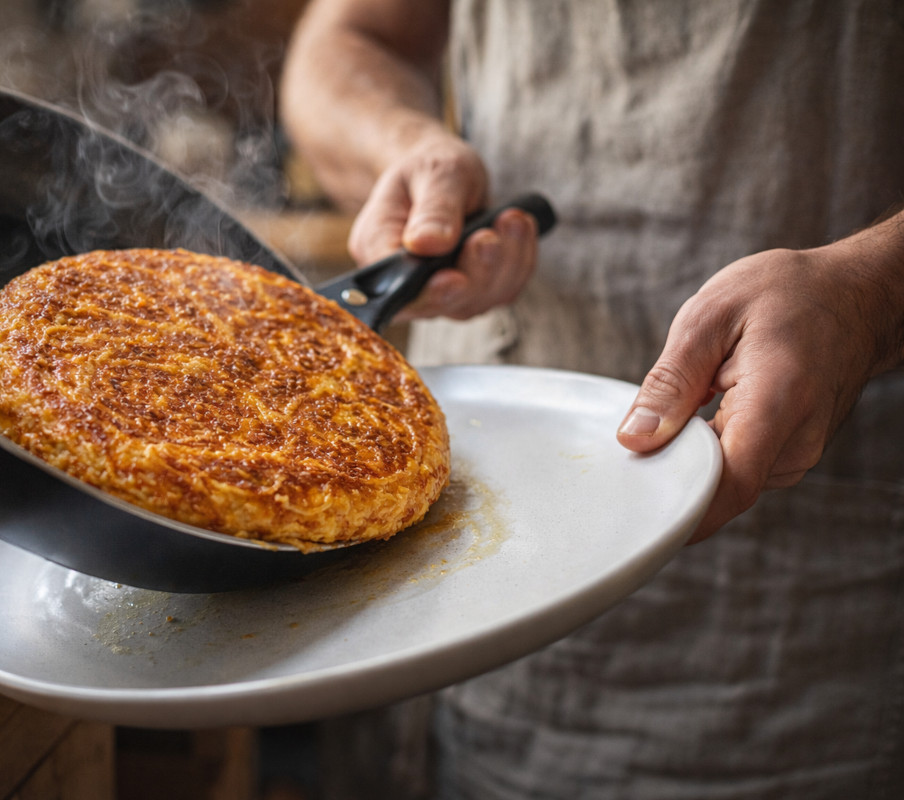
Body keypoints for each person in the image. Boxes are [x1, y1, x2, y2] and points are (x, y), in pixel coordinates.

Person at [280, 1, 904, 797]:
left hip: (798, 590)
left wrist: (868, 295)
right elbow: (347, 40)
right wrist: (403, 145)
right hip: (455, 541)